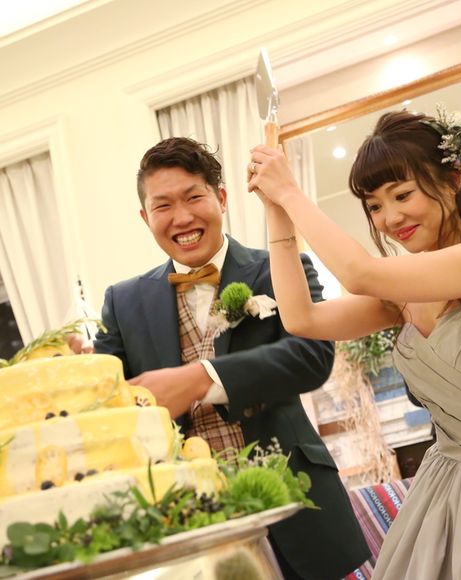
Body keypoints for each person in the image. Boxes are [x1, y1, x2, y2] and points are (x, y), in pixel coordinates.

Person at [247, 108, 461, 579]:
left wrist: (290, 191)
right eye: (374, 206)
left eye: (402, 195)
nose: (390, 218)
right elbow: (302, 318)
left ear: (452, 180)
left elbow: (359, 273)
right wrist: (275, 210)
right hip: (449, 487)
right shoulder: (402, 297)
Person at [93, 137, 370, 579]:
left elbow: (311, 355)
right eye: (163, 206)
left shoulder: (280, 266)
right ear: (145, 218)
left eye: (193, 197)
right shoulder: (122, 302)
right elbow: (104, 403)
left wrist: (201, 377)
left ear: (221, 198)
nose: (182, 217)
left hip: (296, 506)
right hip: (190, 525)